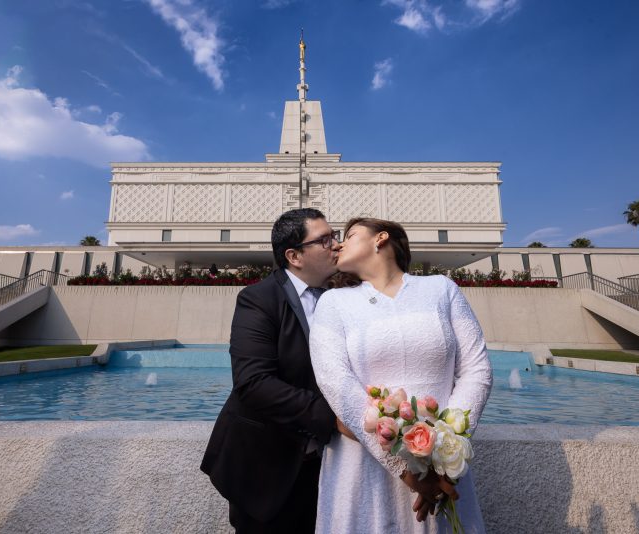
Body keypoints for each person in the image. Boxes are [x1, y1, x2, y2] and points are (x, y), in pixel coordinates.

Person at [309, 217, 493, 533]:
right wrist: (409, 471)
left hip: (441, 471)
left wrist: (445, 454)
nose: (339, 244)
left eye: (350, 236)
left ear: (381, 239)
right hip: (361, 467)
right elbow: (336, 383)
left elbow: (477, 370)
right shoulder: (333, 302)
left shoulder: (441, 288)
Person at [201, 208, 345, 533]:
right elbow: (253, 383)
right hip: (267, 471)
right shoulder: (258, 299)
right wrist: (334, 418)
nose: (336, 244)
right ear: (294, 256)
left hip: (327, 469)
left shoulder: (343, 298)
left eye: (335, 236)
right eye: (325, 239)